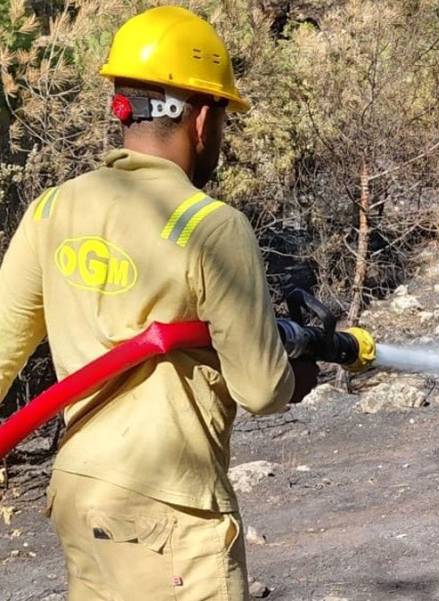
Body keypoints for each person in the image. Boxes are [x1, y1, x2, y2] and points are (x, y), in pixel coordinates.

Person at [0, 6, 324, 599]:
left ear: (122, 105)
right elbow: (262, 391)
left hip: (79, 494)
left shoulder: (50, 209)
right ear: (200, 119)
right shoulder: (211, 227)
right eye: (221, 116)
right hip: (170, 511)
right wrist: (299, 372)